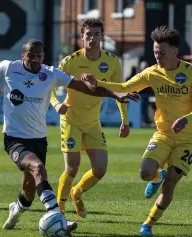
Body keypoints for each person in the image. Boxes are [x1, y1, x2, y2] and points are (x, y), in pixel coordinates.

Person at [0, 39, 138, 234]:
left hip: (38, 140)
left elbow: (85, 87)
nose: (35, 60)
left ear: (43, 56)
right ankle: (57, 216)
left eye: (39, 56)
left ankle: (16, 211)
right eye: (31, 55)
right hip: (14, 139)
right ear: (23, 55)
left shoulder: (50, 73)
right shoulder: (9, 67)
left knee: (28, 192)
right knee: (38, 168)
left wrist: (115, 95)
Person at [81, 26, 192, 236]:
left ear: (175, 51)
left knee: (170, 185)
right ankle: (156, 176)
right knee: (145, 173)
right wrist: (98, 83)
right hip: (164, 134)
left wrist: (186, 119)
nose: (157, 57)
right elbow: (125, 87)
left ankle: (148, 224)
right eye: (155, 52)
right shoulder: (152, 73)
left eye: (162, 53)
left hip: (188, 139)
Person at [50, 18, 136, 218]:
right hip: (70, 119)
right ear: (82, 37)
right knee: (71, 169)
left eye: (96, 34)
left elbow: (119, 92)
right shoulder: (70, 61)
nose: (92, 39)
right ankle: (58, 211)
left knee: (100, 169)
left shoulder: (112, 61)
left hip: (92, 122)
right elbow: (51, 88)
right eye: (88, 35)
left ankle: (77, 193)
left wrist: (125, 120)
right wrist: (56, 104)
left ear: (102, 37)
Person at [137, 60, 156, 126]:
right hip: (141, 97)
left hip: (150, 96)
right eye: (143, 67)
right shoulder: (138, 77)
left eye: (146, 67)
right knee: (144, 102)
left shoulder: (151, 77)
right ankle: (145, 120)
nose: (145, 68)